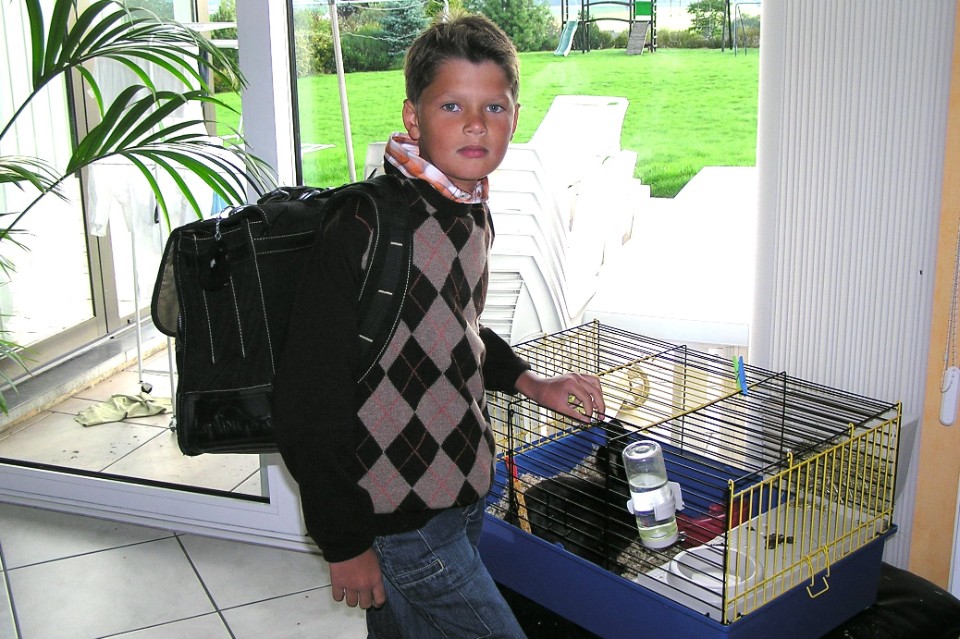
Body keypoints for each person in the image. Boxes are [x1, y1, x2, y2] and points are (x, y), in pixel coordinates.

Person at [272, 13, 605, 638]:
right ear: (413, 117)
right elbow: (306, 398)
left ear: (515, 117)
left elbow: (455, 330)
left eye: (494, 107)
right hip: (397, 514)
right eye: (452, 105)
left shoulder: (469, 210)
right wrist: (344, 541)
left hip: (461, 487)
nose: (477, 124)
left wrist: (532, 382)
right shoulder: (365, 225)